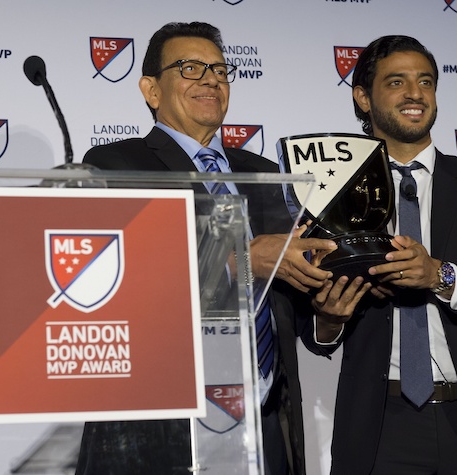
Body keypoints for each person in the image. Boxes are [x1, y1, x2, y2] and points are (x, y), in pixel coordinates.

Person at [74, 21, 336, 475]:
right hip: (161, 424)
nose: (211, 78)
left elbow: (288, 295)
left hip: (264, 420)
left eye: (219, 68)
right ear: (151, 90)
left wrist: (328, 316)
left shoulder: (269, 175)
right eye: (190, 67)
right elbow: (122, 283)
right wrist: (241, 262)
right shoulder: (116, 163)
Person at [302, 35, 457, 474]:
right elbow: (310, 322)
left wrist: (439, 276)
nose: (416, 93)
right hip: (379, 429)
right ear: (362, 97)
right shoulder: (331, 188)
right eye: (396, 82)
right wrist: (328, 318)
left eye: (426, 81)